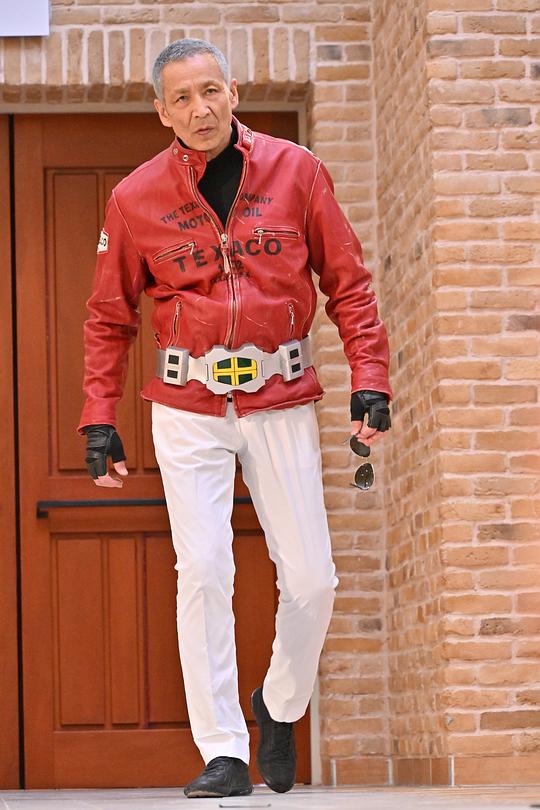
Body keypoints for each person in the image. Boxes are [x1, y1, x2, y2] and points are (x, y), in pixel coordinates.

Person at [79, 38, 392, 799]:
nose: (201, 109)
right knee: (204, 572)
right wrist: (98, 417)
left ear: (234, 90)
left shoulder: (297, 171)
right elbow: (108, 317)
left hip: (281, 397)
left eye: (211, 91)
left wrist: (370, 379)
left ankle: (278, 703)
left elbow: (349, 284)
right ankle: (222, 748)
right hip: (186, 407)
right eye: (183, 98)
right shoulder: (135, 198)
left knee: (312, 579)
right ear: (162, 111)